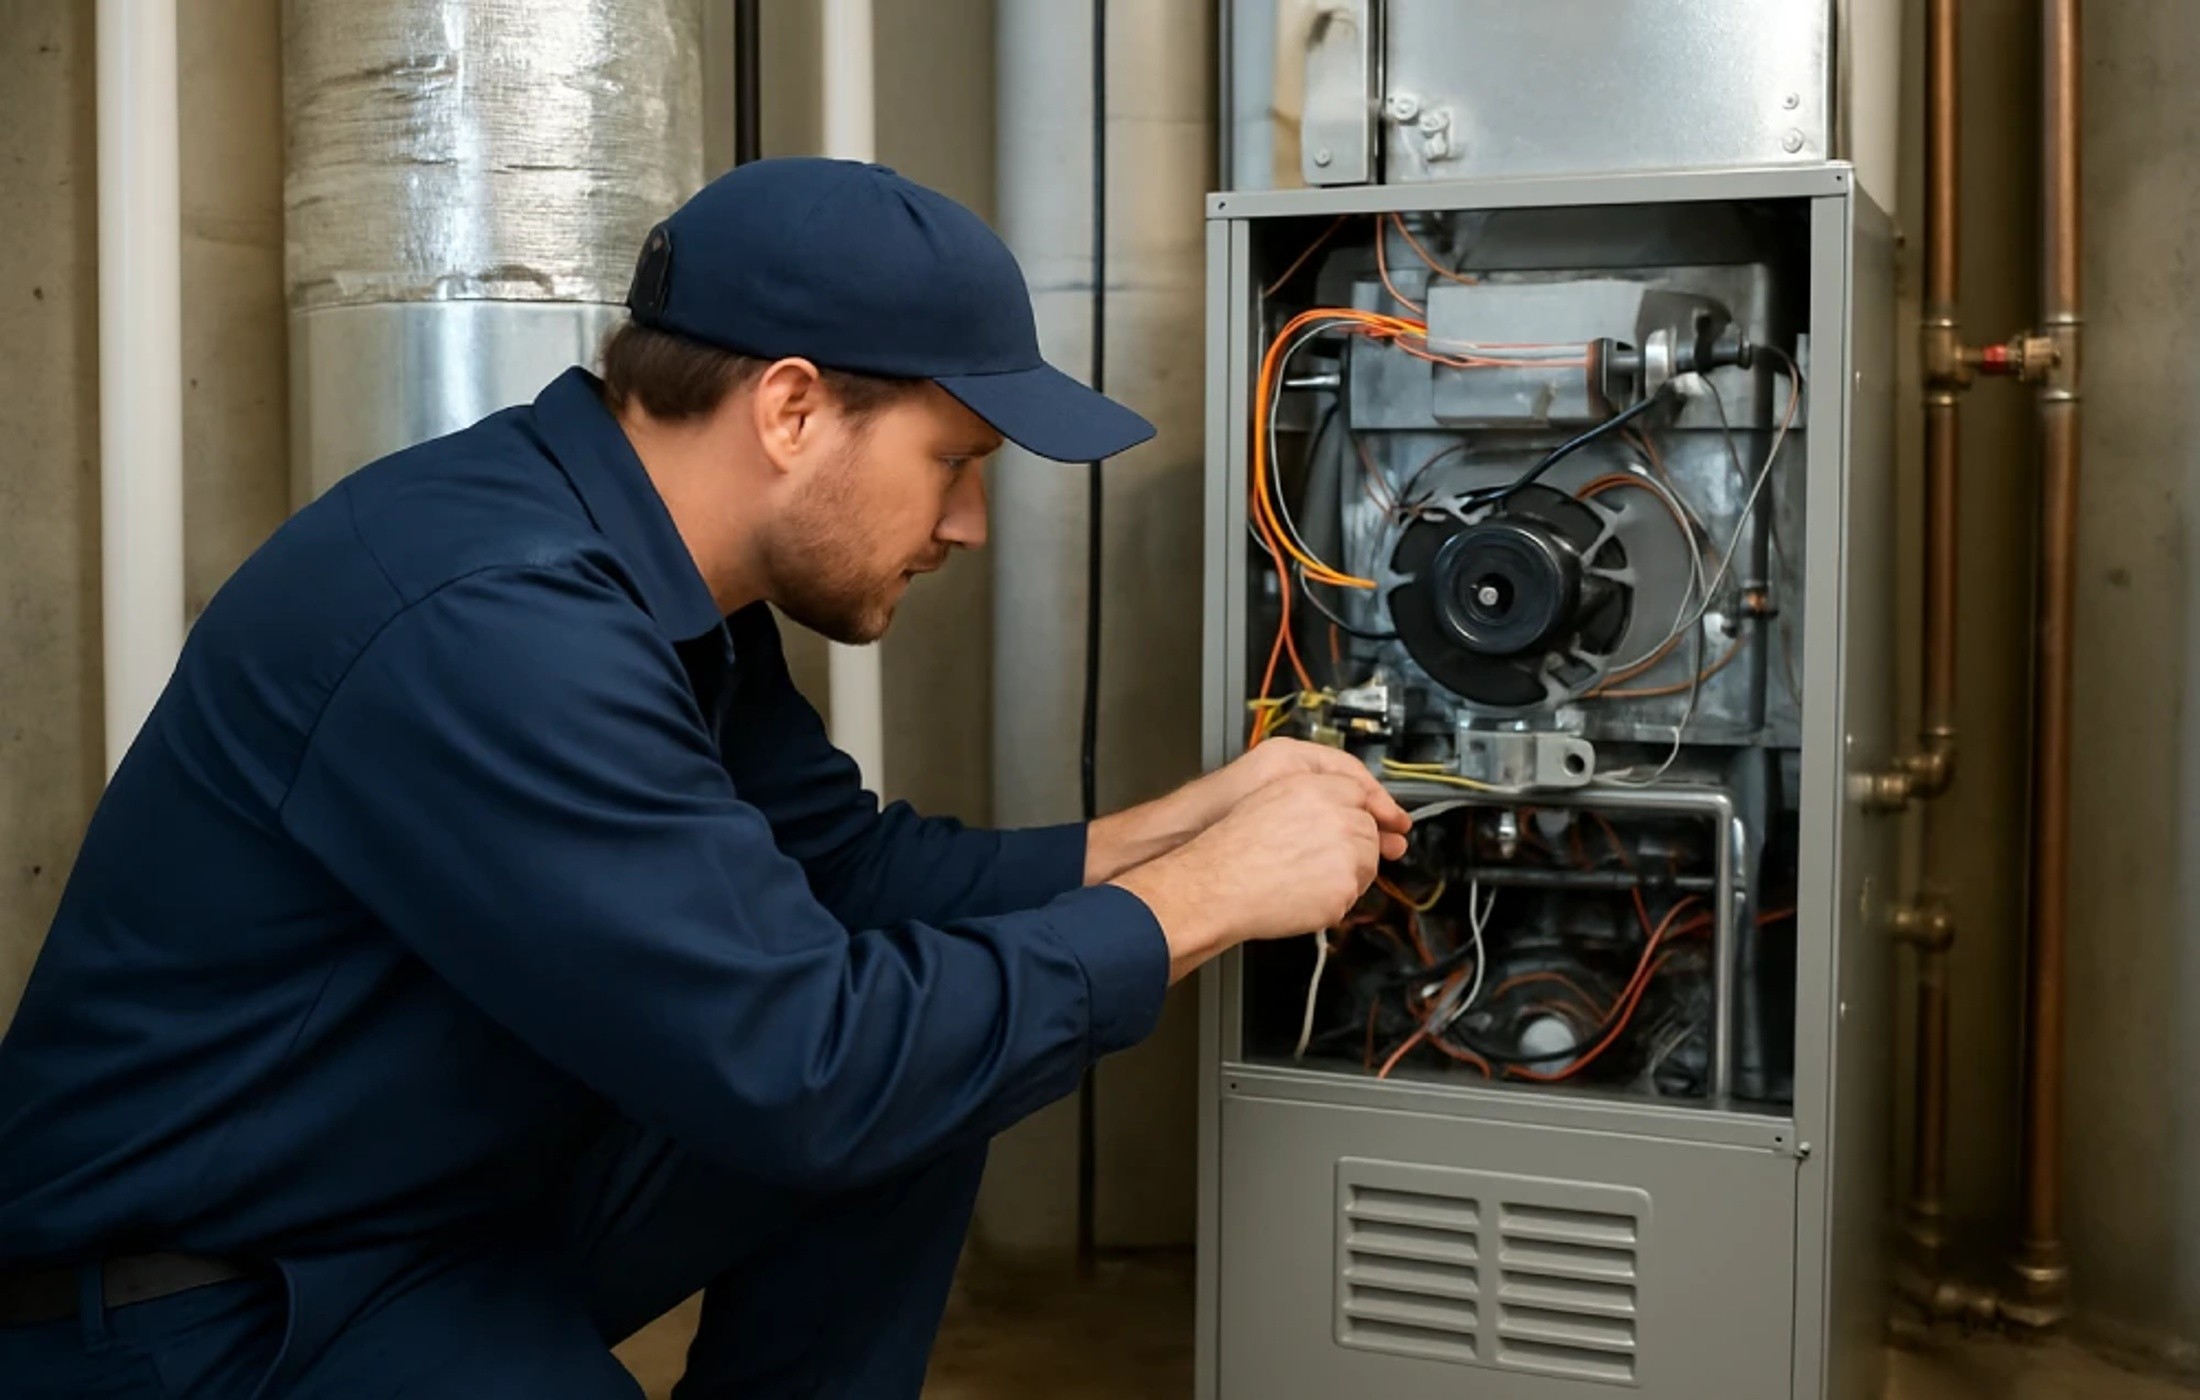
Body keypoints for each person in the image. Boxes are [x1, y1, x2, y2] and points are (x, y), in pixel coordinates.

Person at [0, 157, 1407, 1397]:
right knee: (873, 1072)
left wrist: (1182, 824)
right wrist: (1205, 900)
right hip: (209, 1307)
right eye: (955, 463)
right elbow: (804, 1068)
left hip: (433, 1198)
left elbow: (844, 881)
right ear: (792, 409)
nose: (969, 524)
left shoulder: (657, 578)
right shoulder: (498, 622)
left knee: (933, 1074)